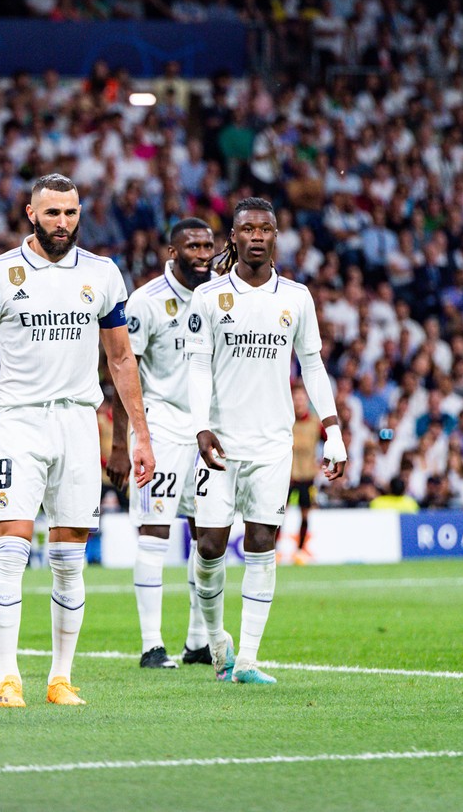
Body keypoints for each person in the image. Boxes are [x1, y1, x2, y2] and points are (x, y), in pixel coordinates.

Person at [0, 173, 155, 707]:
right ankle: (7, 677)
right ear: (30, 213)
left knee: (68, 559)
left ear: (79, 213)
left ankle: (60, 678)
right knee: (10, 550)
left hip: (80, 423)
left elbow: (121, 358)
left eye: (70, 212)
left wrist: (138, 436)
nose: (61, 222)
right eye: (51, 212)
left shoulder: (104, 273)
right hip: (19, 421)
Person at [185, 197, 347, 686]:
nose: (256, 236)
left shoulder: (296, 297)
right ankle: (217, 644)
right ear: (232, 238)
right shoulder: (209, 298)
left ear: (276, 237)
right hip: (221, 442)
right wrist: (200, 426)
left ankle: (249, 659)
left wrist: (333, 430)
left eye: (265, 229)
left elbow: (313, 366)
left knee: (261, 543)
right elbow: (196, 366)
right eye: (247, 229)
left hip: (274, 443)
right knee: (209, 544)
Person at [106, 217, 216, 670]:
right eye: (192, 246)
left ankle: (197, 642)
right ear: (173, 252)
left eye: (208, 245)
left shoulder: (219, 297)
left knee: (208, 536)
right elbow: (120, 369)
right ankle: (152, 645)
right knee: (155, 532)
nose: (203, 254)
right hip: (161, 429)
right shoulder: (146, 302)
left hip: (208, 430)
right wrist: (119, 444)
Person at [288, 386, 323, 564]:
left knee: (305, 514)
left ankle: (300, 551)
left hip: (307, 476)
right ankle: (273, 550)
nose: (299, 402)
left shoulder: (316, 423)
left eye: (302, 398)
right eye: (296, 398)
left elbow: (330, 440)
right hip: (287, 475)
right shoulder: (285, 420)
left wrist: (324, 463)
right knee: (278, 515)